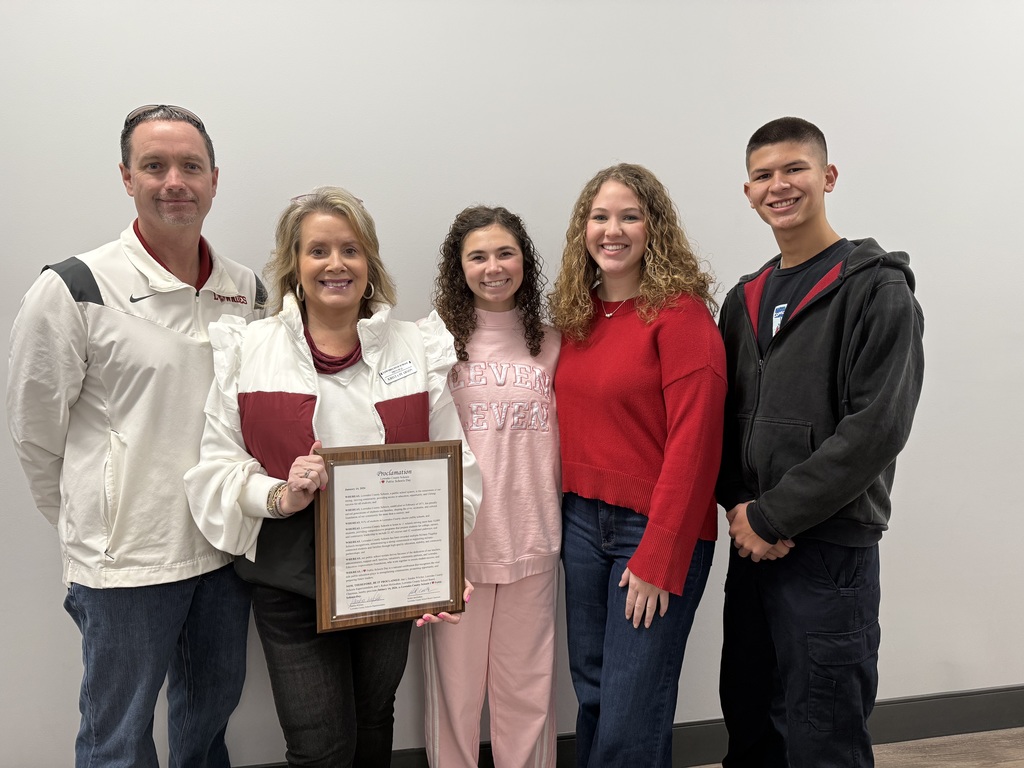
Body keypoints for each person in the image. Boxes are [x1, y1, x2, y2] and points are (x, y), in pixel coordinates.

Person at [183, 186, 481, 767]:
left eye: (350, 249)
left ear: (369, 263)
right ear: (294, 265)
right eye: (318, 250)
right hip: (291, 578)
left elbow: (454, 462)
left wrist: (441, 560)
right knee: (319, 748)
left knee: (373, 726)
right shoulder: (250, 349)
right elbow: (217, 463)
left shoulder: (416, 348)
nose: (335, 264)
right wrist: (279, 492)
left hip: (389, 573)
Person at [6, 104, 264, 767]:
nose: (173, 180)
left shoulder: (249, 291)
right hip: (126, 565)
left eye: (190, 166)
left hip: (223, 553)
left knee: (206, 730)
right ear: (127, 177)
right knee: (117, 742)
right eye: (155, 166)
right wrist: (91, 522)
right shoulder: (75, 288)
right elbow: (36, 434)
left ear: (214, 180)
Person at [717, 116, 925, 767]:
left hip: (830, 550)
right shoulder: (742, 299)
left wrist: (777, 514)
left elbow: (876, 428)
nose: (779, 185)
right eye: (763, 175)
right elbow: (724, 419)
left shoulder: (877, 289)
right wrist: (741, 509)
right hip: (751, 545)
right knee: (751, 718)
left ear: (827, 176)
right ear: (748, 191)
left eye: (794, 169)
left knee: (823, 728)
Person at [549, 163, 726, 767]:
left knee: (631, 708)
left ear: (656, 227)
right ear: (583, 229)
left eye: (630, 215)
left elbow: (696, 446)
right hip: (581, 525)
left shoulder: (681, 317)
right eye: (600, 217)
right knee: (595, 694)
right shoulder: (578, 318)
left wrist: (659, 555)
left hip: (651, 531)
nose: (612, 230)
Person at [422, 206, 561, 768]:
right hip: (457, 551)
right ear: (459, 268)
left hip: (533, 543)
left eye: (505, 253)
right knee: (454, 699)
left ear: (524, 261)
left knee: (528, 696)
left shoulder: (553, 344)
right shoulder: (432, 342)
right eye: (477, 256)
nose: (493, 267)